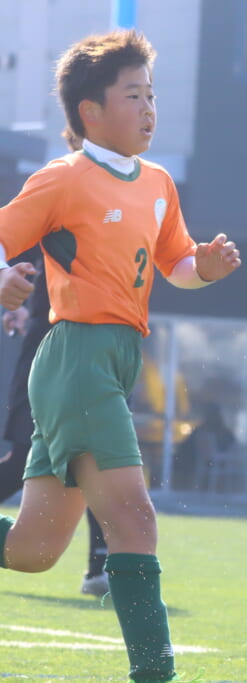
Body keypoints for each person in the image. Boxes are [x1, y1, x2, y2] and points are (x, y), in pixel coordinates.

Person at [0, 29, 241, 682]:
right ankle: (155, 676)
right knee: (134, 520)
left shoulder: (158, 182)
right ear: (90, 111)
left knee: (32, 550)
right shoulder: (62, 177)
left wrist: (206, 268)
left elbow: (177, 265)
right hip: (77, 356)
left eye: (151, 94)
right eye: (133, 95)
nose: (148, 107)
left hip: (114, 360)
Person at [0, 247, 111, 597]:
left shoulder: (126, 225)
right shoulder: (56, 215)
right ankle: (101, 568)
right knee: (24, 461)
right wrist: (15, 297)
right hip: (49, 355)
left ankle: (101, 567)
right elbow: (12, 244)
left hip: (101, 360)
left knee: (103, 462)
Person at [173, 402, 237, 491]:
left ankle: (186, 484)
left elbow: (186, 445)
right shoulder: (222, 431)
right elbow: (231, 445)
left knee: (180, 459)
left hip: (203, 461)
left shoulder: (203, 430)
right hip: (210, 461)